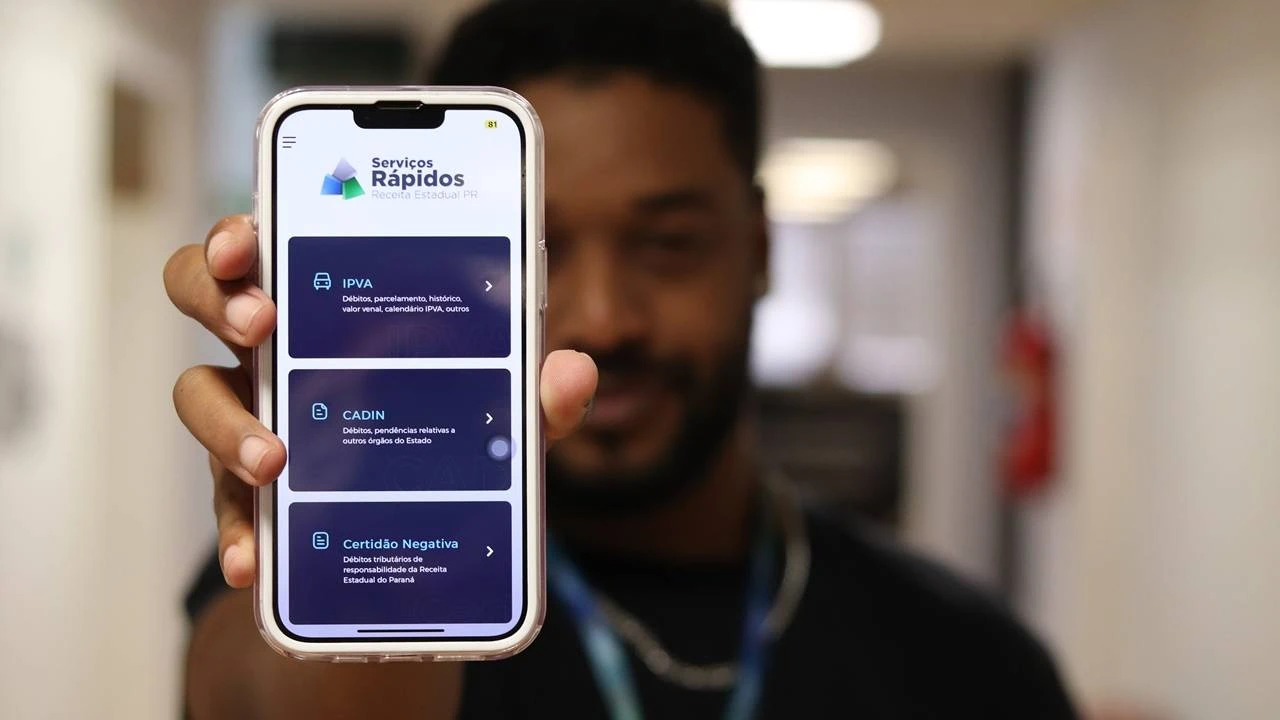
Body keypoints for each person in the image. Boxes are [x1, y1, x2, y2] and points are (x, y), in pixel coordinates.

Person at [167, 1, 1079, 717]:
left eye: (668, 243)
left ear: (760, 250)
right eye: (535, 250)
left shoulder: (971, 660)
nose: (603, 319)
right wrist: (369, 490)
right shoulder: (335, 574)